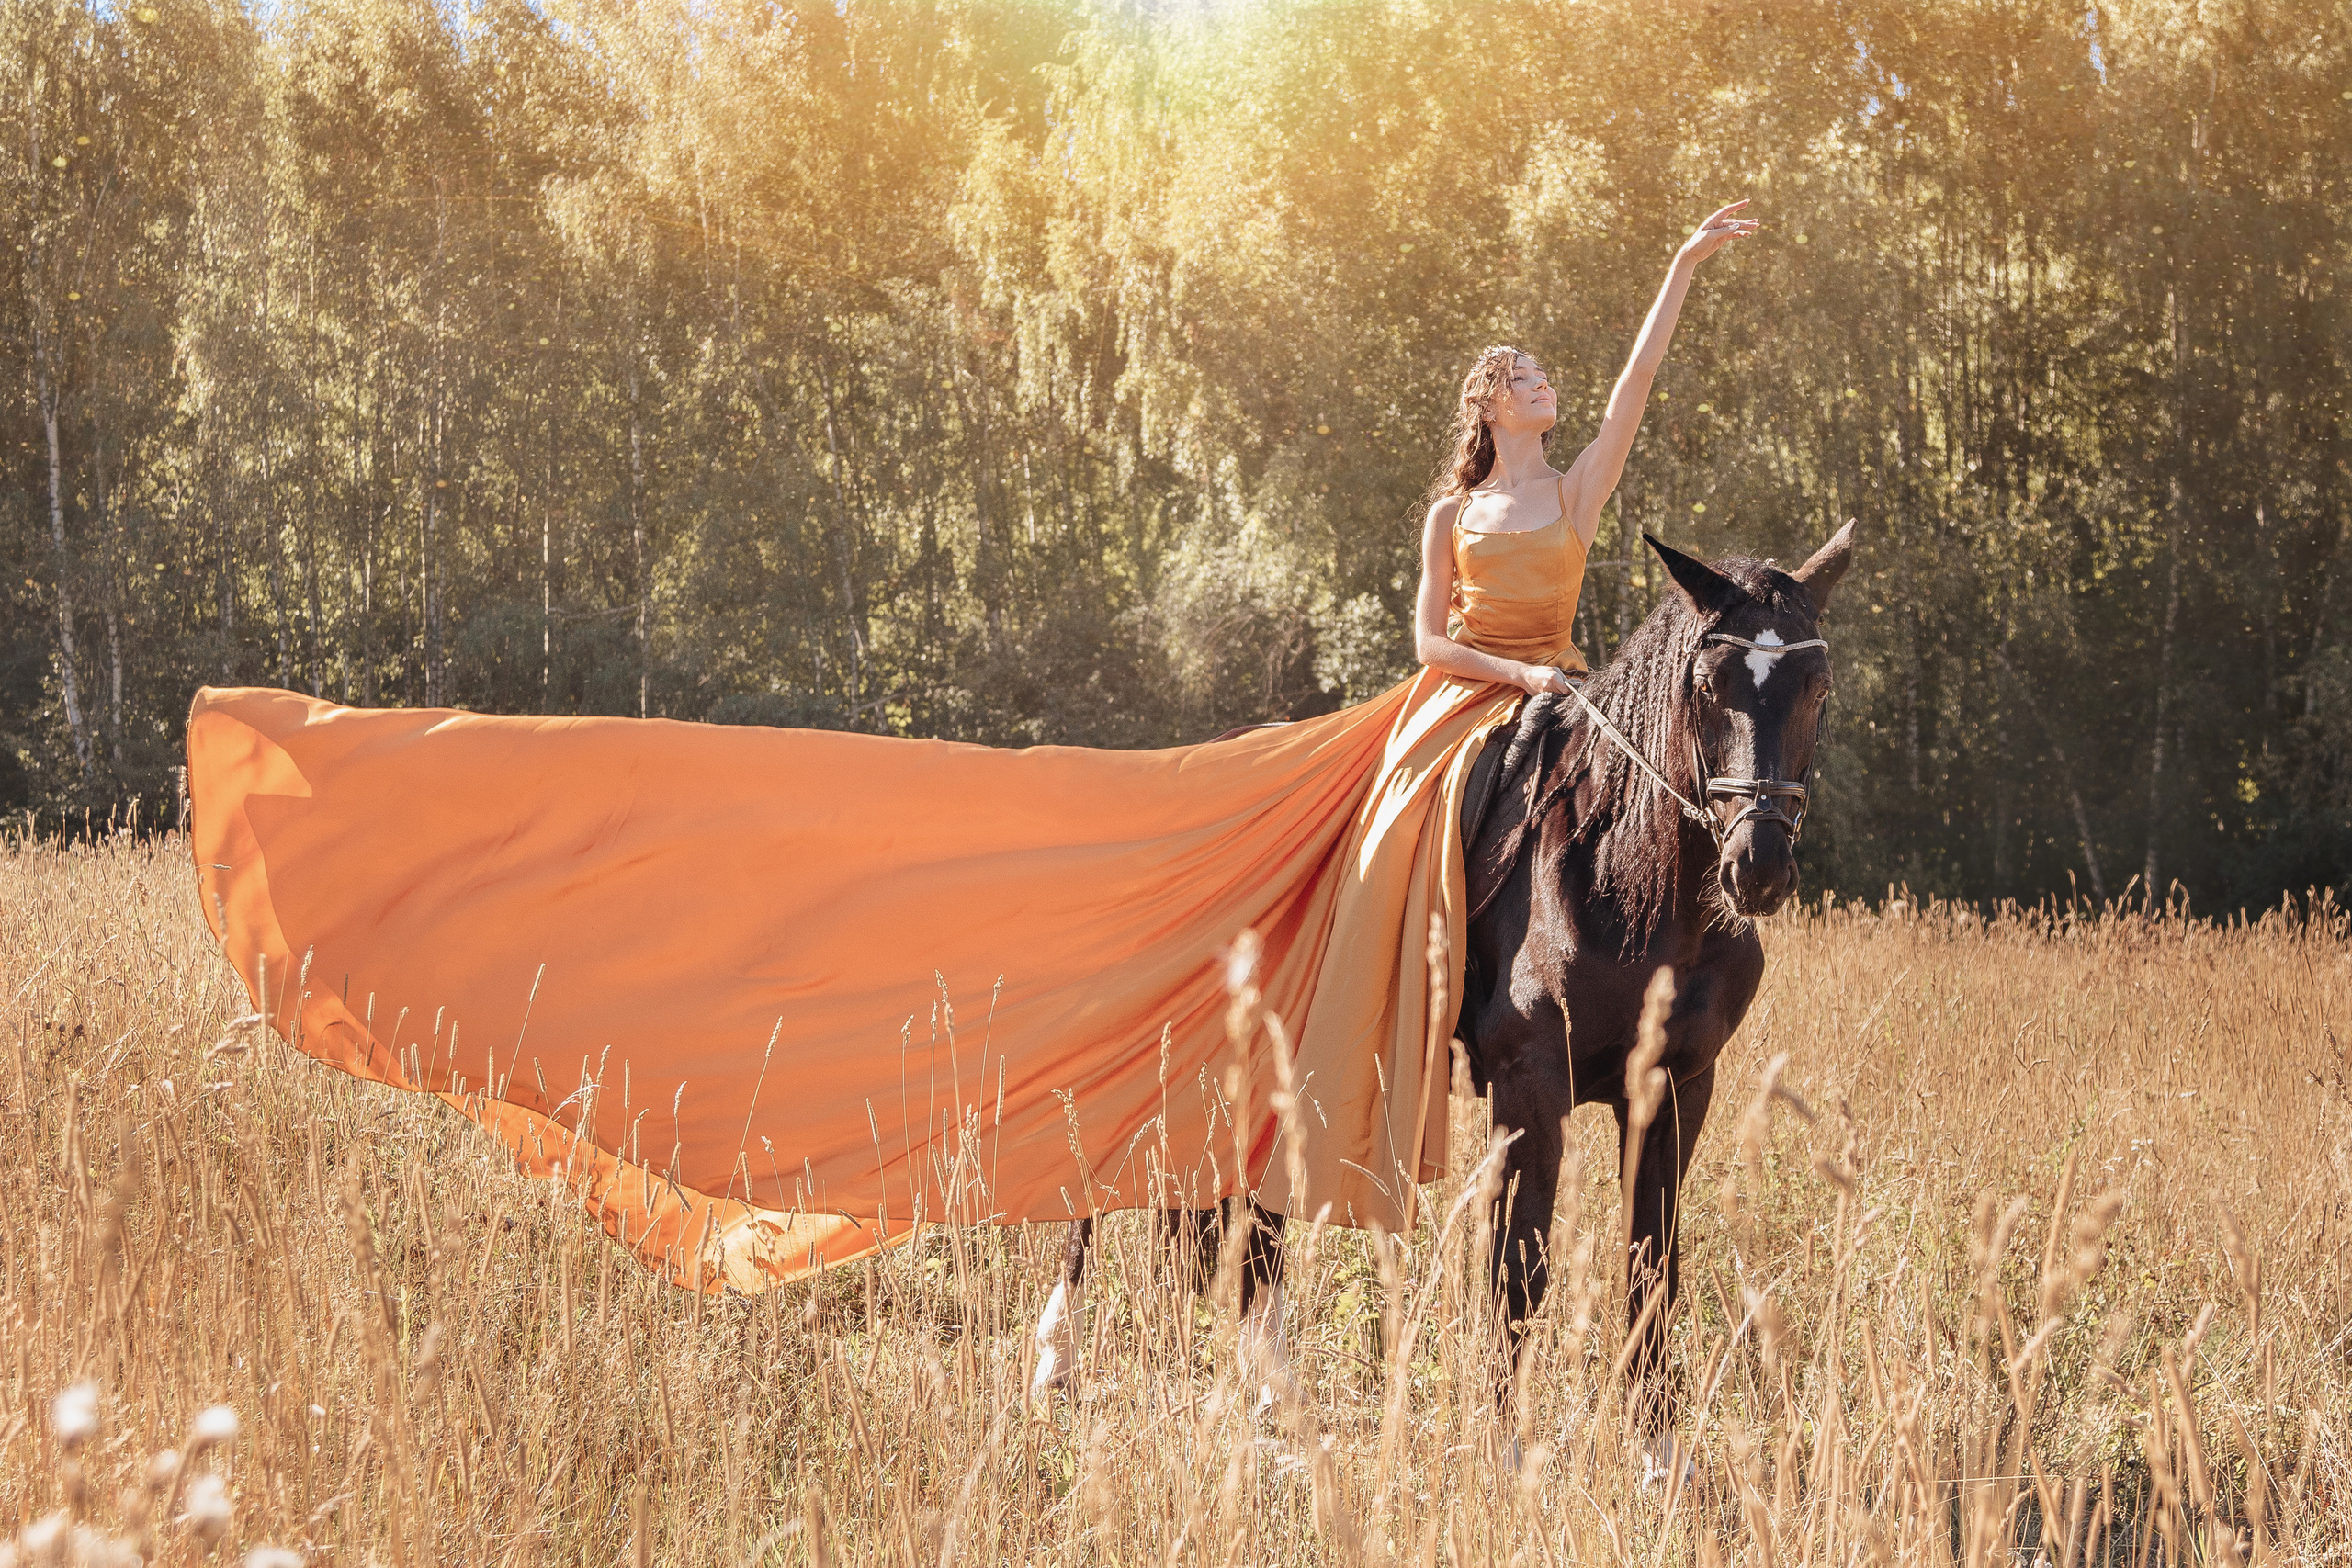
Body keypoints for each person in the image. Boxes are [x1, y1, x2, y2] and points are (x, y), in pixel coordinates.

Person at [184, 203, 1755, 1292]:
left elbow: (1640, 383)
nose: (1547, 389)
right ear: (1488, 414)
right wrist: (1507, 676)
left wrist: (1682, 268)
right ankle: (1410, 1010)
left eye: (1548, 378)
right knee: (1424, 825)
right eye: (1521, 381)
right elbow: (1423, 640)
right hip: (1467, 709)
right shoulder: (1454, 511)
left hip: (1574, 700)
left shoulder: (1580, 488)